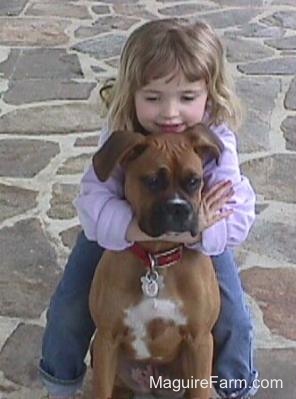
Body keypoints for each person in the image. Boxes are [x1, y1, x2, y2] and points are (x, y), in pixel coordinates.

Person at [39, 18, 258, 399]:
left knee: (234, 317)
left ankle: (233, 388)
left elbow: (236, 206)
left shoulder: (214, 139)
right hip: (120, 231)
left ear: (209, 95)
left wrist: (203, 230)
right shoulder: (122, 134)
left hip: (199, 237)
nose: (170, 113)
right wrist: (131, 230)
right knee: (70, 307)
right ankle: (59, 382)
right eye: (153, 98)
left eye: (187, 98)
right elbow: (93, 199)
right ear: (132, 94)